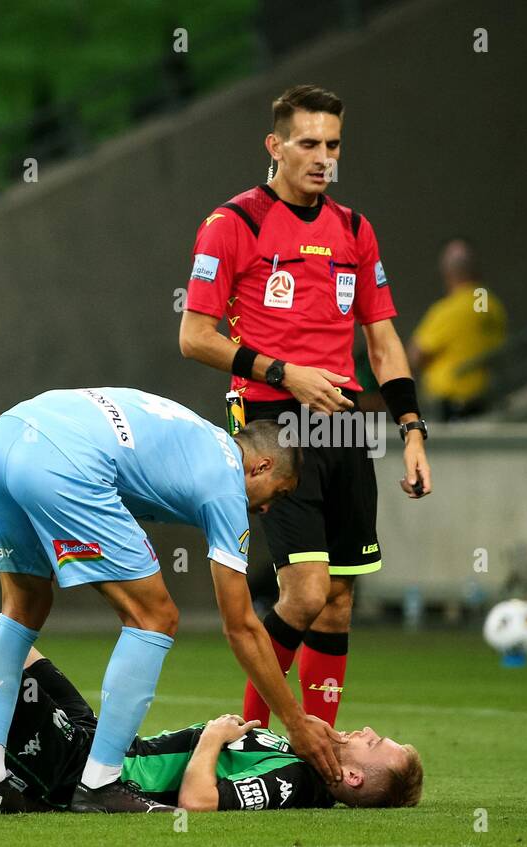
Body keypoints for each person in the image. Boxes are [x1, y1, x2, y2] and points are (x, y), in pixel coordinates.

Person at [178, 84, 432, 734]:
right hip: (271, 424)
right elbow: (196, 336)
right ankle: (255, 734)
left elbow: (382, 340)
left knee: (339, 601)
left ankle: (321, 748)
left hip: (344, 424)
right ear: (276, 145)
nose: (323, 157)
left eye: (333, 144)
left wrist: (411, 429)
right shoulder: (233, 224)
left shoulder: (354, 229)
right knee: (305, 592)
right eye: (309, 143)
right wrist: (285, 372)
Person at [0, 387, 345, 814]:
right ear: (262, 465)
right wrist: (295, 722)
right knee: (155, 616)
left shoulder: (200, 438)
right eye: (278, 493)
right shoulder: (227, 488)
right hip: (63, 458)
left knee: (23, 607)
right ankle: (100, 784)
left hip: (2, 438)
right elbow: (240, 626)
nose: (266, 510)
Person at [0, 634, 423, 816]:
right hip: (105, 747)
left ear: (348, 777)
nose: (366, 730)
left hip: (101, 774)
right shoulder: (303, 754)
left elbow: (198, 802)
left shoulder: (297, 782)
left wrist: (213, 737)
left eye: (374, 745)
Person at [408, 238, 507, 420]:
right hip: (486, 397)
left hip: (451, 407)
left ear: (447, 274)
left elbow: (417, 355)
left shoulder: (448, 311)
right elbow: (480, 319)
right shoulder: (486, 302)